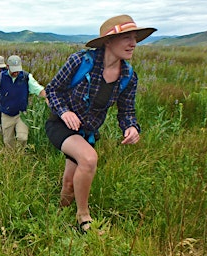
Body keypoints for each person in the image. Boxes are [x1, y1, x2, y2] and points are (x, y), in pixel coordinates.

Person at [44, 15, 156, 233]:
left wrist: (131, 127)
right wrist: (65, 111)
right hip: (61, 124)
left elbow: (127, 111)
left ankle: (58, 222)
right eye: (126, 37)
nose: (133, 43)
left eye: (135, 38)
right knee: (89, 158)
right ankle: (83, 219)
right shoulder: (80, 61)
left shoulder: (129, 77)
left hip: (87, 133)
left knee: (69, 183)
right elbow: (52, 90)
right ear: (108, 41)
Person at [0, 55, 47, 148]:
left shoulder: (26, 77)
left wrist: (47, 100)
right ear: (7, 67)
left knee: (22, 138)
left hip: (22, 114)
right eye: (14, 70)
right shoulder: (0, 77)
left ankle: (20, 153)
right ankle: (13, 157)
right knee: (8, 141)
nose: (16, 72)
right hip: (6, 114)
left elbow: (40, 90)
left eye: (18, 69)